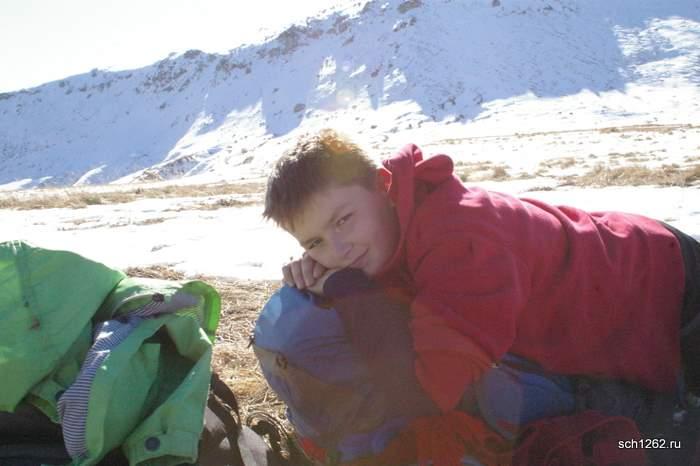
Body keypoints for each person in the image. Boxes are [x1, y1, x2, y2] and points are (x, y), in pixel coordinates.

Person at [262, 128, 700, 442]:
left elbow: (429, 393)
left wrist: (349, 290)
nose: (338, 249)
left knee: (672, 443)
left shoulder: (460, 241)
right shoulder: (389, 229)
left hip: (667, 284)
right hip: (623, 277)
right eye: (314, 242)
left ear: (383, 186)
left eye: (343, 219)